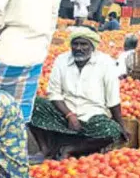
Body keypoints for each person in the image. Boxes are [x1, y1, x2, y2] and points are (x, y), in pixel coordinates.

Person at [29, 28, 127, 159]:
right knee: (33, 103)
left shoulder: (106, 63)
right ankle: (44, 149)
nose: (79, 48)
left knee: (112, 131)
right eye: (75, 44)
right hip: (64, 112)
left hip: (93, 115)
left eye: (84, 44)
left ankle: (71, 148)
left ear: (92, 46)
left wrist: (121, 127)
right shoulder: (62, 60)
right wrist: (69, 115)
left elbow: (113, 99)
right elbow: (54, 93)